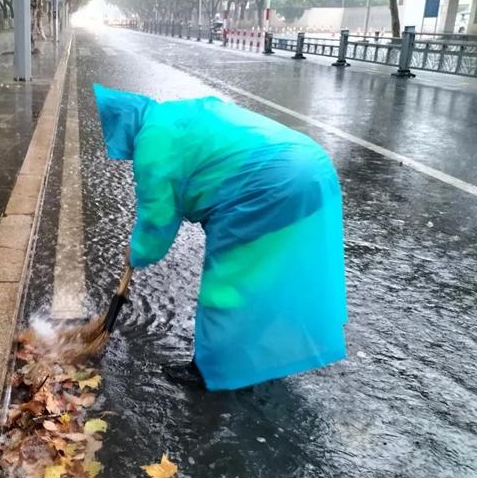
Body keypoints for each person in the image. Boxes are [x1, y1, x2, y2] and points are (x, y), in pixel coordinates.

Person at [93, 84, 347, 391]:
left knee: (227, 284)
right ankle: (265, 354)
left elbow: (157, 222)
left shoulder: (151, 144)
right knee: (272, 273)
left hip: (267, 186)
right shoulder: (174, 112)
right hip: (311, 165)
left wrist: (136, 253)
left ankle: (213, 371)